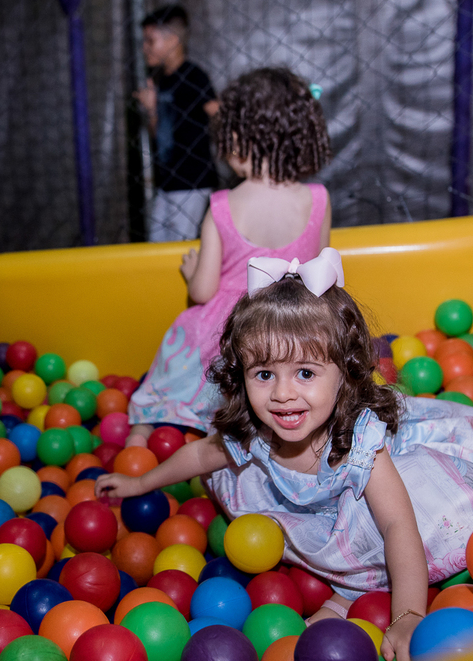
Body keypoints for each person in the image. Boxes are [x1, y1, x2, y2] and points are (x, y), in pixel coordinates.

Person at [97, 253, 473, 661]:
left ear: (344, 373)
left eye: (305, 372)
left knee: (421, 519)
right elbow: (201, 454)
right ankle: (349, 591)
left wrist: (407, 616)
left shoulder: (358, 443)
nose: (283, 394)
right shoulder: (256, 428)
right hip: (303, 510)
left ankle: (352, 592)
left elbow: (399, 527)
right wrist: (141, 484)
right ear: (242, 375)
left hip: (371, 510)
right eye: (264, 374)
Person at [127, 67, 333, 448]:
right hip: (293, 329)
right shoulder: (317, 199)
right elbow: (325, 276)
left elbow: (204, 292)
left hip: (235, 333)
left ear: (237, 138)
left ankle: (139, 436)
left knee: (172, 368)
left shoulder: (222, 205)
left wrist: (192, 273)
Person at [136, 4, 218, 242]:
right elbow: (158, 133)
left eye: (150, 41)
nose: (144, 48)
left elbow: (217, 112)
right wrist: (152, 109)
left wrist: (236, 149)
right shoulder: (161, 81)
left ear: (172, 40)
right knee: (156, 245)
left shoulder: (194, 76)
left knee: (181, 248)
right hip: (168, 182)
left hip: (192, 181)